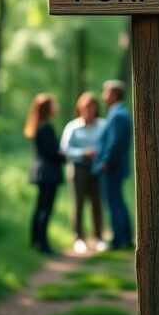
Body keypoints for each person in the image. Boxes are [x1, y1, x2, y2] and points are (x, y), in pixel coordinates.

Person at [60, 92, 107, 253]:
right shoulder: (72, 127)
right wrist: (82, 153)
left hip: (97, 169)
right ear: (79, 108)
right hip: (78, 169)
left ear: (96, 108)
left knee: (97, 203)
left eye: (91, 106)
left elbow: (108, 145)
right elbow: (64, 150)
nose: (88, 110)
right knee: (78, 204)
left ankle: (99, 237)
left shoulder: (103, 125)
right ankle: (79, 238)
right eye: (84, 107)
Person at [93, 79, 133, 249]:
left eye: (106, 92)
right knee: (117, 202)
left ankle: (119, 240)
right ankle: (124, 238)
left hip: (112, 167)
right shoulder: (119, 113)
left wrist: (106, 162)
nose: (103, 96)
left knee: (114, 203)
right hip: (115, 166)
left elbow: (115, 142)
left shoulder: (118, 115)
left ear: (114, 94)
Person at [24, 93, 64, 254]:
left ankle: (35, 241)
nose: (57, 107)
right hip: (49, 174)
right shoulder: (46, 127)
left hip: (41, 172)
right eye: (54, 104)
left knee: (40, 207)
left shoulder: (38, 126)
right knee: (45, 209)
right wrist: (66, 155)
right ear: (48, 108)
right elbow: (52, 153)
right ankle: (43, 245)